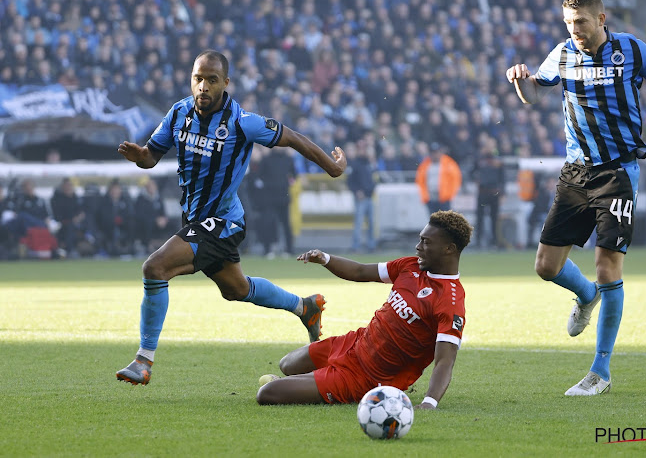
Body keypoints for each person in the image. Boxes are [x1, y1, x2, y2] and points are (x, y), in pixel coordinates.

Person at [506, 0, 646, 396]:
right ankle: (586, 296)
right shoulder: (562, 54)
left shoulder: (632, 50)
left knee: (607, 267)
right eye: (568, 23)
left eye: (580, 21)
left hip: (618, 172)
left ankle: (600, 371)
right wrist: (518, 80)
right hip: (576, 173)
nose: (574, 29)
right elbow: (531, 94)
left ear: (601, 18)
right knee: (545, 266)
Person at [115, 50, 347, 385]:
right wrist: (140, 156)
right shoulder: (179, 113)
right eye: (198, 78)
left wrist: (333, 167)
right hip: (195, 220)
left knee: (155, 267)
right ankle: (305, 307)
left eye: (212, 80)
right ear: (191, 79)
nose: (203, 87)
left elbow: (293, 138)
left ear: (226, 83)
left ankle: (143, 360)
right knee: (236, 289)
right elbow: (152, 157)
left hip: (224, 222)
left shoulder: (242, 122)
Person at [256, 210, 472, 408]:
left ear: (449, 249)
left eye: (426, 242)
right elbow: (360, 271)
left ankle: (327, 382)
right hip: (355, 344)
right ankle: (318, 380)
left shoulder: (450, 301)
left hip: (368, 376)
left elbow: (445, 360)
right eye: (420, 239)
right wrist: (325, 259)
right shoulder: (411, 266)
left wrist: (429, 403)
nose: (418, 246)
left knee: (267, 392)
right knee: (287, 365)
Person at [346, 139, 378, 253]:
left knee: (371, 222)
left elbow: (374, 179)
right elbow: (350, 182)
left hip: (369, 196)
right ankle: (356, 245)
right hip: (361, 197)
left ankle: (371, 245)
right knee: (359, 222)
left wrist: (372, 189)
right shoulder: (355, 164)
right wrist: (357, 191)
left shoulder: (369, 163)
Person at [415, 142, 462, 215]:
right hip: (430, 198)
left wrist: (449, 194)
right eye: (432, 152)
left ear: (440, 152)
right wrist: (424, 196)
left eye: (436, 152)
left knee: (445, 221)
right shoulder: (425, 164)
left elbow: (456, 180)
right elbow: (420, 181)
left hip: (444, 198)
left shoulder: (449, 163)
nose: (434, 155)